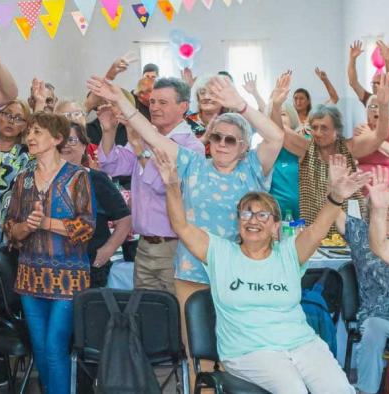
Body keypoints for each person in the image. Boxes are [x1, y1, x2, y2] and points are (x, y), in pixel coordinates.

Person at [88, 74, 283, 368]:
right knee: (195, 350)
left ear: (243, 146)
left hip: (236, 271)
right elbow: (152, 138)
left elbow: (276, 137)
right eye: (216, 137)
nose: (222, 144)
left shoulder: (252, 169)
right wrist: (119, 100)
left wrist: (241, 105)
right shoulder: (194, 166)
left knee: (237, 349)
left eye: (230, 140)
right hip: (191, 270)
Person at [153, 148, 358, 393]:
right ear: (238, 223)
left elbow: (317, 230)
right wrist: (173, 185)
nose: (253, 220)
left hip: (303, 345)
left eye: (263, 215)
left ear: (275, 227)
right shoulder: (220, 253)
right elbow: (182, 226)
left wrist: (335, 197)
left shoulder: (289, 253)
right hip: (248, 352)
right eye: (246, 213)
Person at [4, 112, 94, 394]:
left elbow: (86, 227)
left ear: (57, 139)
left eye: (38, 132)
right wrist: (25, 228)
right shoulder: (24, 179)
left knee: (55, 346)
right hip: (30, 276)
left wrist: (45, 223)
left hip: (69, 277)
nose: (30, 137)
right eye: (29, 132)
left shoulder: (77, 177)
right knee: (41, 349)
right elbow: (10, 227)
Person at [95, 77, 204, 292]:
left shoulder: (191, 147)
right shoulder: (146, 136)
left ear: (183, 106)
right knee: (145, 311)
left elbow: (162, 185)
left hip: (175, 246)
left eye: (163, 103)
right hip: (144, 245)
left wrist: (139, 150)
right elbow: (112, 165)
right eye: (152, 102)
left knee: (174, 314)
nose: (154, 108)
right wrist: (108, 131)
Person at [278, 72, 389, 234]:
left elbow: (380, 135)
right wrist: (275, 104)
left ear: (337, 130)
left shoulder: (349, 147)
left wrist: (383, 105)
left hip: (347, 229)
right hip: (314, 230)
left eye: (324, 128)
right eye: (315, 127)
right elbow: (278, 131)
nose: (318, 133)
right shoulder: (305, 147)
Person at [330, 169, 389, 394]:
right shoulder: (359, 233)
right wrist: (334, 187)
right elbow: (331, 212)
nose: (388, 214)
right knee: (373, 330)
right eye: (383, 209)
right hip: (378, 316)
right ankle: (366, 390)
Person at [61, 122, 131, 289]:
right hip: (52, 266)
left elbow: (125, 219)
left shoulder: (96, 179)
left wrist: (108, 250)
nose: (65, 146)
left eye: (71, 140)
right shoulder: (44, 178)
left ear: (84, 145)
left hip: (90, 266)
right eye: (60, 140)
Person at [0, 100, 32, 244]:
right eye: (7, 114)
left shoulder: (26, 155)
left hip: (4, 227)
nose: (11, 121)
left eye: (19, 118)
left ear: (25, 126)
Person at [268, 95, 302, 219]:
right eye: (273, 115)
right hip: (275, 216)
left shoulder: (303, 142)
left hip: (302, 215)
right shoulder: (264, 149)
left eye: (282, 114)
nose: (277, 119)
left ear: (292, 118)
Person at [355, 93, 389, 181]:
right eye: (372, 106)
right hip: (363, 173)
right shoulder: (362, 129)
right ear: (367, 113)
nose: (376, 110)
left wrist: (371, 135)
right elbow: (354, 156)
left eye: (380, 106)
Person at [349, 39, 389, 115]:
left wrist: (388, 60)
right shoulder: (370, 99)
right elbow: (353, 83)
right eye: (373, 83)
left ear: (385, 85)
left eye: (378, 83)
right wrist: (352, 59)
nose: (374, 86)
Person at [369, 176, 389, 267]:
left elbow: (381, 248)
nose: (387, 214)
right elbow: (381, 248)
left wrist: (380, 210)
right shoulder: (360, 231)